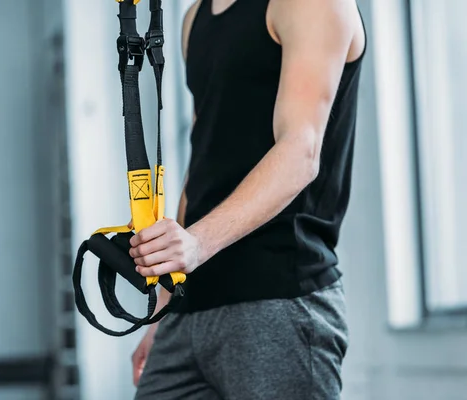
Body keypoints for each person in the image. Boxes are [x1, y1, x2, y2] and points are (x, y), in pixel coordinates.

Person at [130, 0, 366, 398]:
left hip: (277, 300)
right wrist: (164, 307)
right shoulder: (194, 19)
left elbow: (300, 151)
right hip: (191, 306)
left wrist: (197, 243)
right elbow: (204, 159)